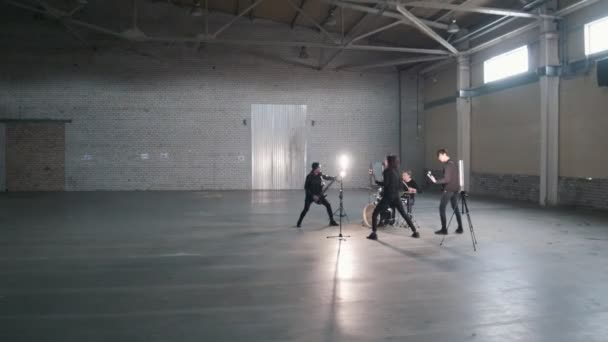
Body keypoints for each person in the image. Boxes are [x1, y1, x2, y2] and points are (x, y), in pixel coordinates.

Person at [367, 155, 419, 240]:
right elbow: (400, 185)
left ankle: (374, 234)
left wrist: (376, 181)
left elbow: (386, 184)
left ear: (389, 162)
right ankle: (415, 232)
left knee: (375, 213)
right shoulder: (397, 171)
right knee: (404, 214)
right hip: (396, 196)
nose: (384, 161)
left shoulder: (387, 171)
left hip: (388, 196)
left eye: (386, 160)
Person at [427, 149, 463, 235]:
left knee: (442, 208)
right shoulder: (453, 163)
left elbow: (447, 179)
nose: (439, 159)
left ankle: (444, 230)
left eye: (439, 157)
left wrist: (435, 181)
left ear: (443, 154)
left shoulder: (447, 165)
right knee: (455, 208)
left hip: (449, 189)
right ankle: (460, 228)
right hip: (455, 189)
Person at [296, 162, 339, 228]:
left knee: (328, 205)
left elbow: (326, 177)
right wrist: (313, 196)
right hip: (310, 196)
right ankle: (299, 222)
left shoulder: (320, 174)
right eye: (319, 167)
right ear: (315, 168)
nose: (320, 168)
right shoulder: (309, 176)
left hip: (319, 195)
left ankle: (332, 221)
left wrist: (334, 178)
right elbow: (306, 188)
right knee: (306, 209)